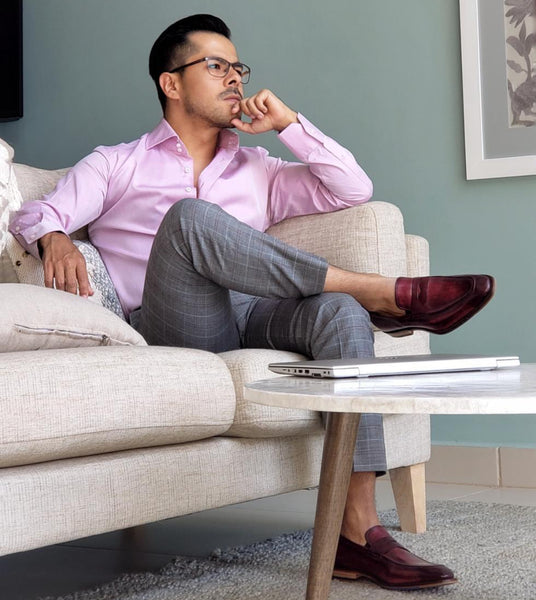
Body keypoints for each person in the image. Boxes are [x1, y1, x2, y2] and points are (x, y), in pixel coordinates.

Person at [10, 14, 494, 591]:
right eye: (216, 66)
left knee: (338, 316)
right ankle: (376, 292)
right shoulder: (118, 162)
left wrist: (289, 124)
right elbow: (32, 214)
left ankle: (358, 534)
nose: (234, 78)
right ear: (171, 83)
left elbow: (351, 189)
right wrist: (57, 235)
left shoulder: (258, 170)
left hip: (254, 314)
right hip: (173, 320)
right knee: (189, 220)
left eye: (238, 67)